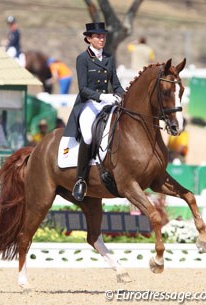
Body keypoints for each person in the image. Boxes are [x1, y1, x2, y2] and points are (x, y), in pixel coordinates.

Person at [63, 22, 125, 201]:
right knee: (89, 136)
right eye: (98, 36)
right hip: (88, 104)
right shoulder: (82, 59)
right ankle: (81, 180)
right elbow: (83, 89)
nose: (101, 39)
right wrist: (103, 97)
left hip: (106, 104)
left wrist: (120, 95)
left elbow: (117, 84)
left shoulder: (109, 58)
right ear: (89, 38)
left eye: (103, 36)